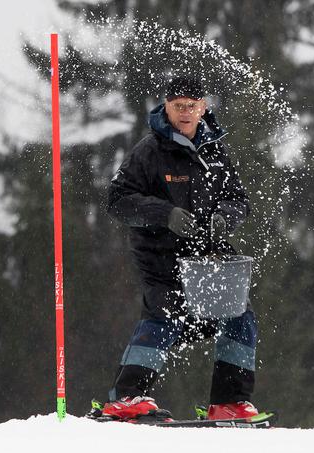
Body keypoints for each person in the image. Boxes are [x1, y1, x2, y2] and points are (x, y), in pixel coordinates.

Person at [101, 76, 258, 421]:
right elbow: (117, 200)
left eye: (192, 106)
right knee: (165, 313)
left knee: (239, 314)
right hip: (160, 256)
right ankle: (127, 397)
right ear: (166, 107)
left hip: (209, 256)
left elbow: (239, 200)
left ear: (203, 108)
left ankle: (228, 402)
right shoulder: (149, 150)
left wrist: (224, 218)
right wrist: (166, 214)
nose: (185, 113)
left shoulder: (215, 151)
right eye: (178, 106)